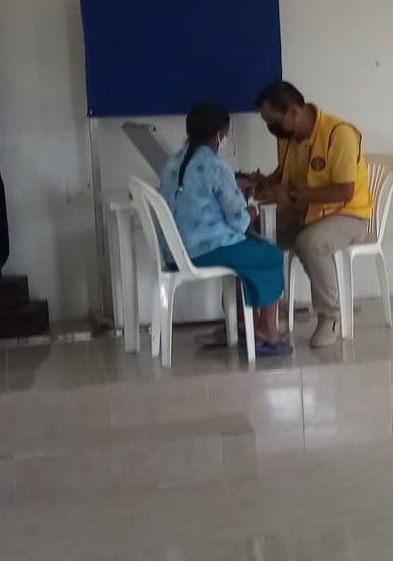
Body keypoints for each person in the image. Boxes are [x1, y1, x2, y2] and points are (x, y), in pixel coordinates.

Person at [159, 102, 291, 356]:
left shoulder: (172, 163)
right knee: (271, 254)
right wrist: (251, 210)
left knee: (246, 256)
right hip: (204, 250)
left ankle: (243, 324)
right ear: (220, 135)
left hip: (174, 253)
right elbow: (239, 221)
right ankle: (267, 330)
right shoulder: (216, 166)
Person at [254, 81, 373, 348]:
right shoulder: (288, 138)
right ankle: (253, 321)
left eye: (272, 121)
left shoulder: (338, 134)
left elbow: (344, 191)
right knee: (253, 232)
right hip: (306, 211)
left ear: (293, 112)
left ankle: (330, 317)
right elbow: (285, 174)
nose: (270, 128)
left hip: (347, 214)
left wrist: (290, 196)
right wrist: (263, 182)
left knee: (310, 242)